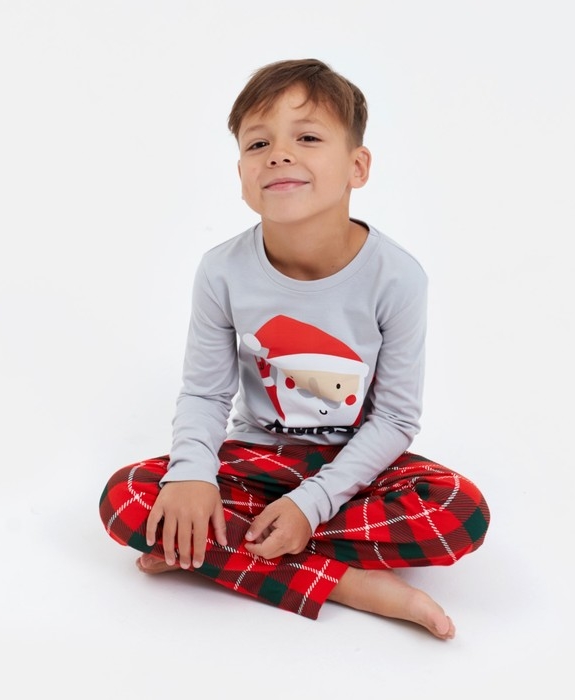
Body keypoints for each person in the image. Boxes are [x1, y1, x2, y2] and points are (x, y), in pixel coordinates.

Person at [99, 58, 490, 640]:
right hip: (257, 460)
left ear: (357, 166)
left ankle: (215, 552)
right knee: (126, 496)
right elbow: (206, 393)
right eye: (259, 143)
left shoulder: (397, 278)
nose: (279, 155)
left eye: (307, 138)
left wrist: (311, 505)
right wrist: (192, 479)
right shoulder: (222, 271)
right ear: (241, 173)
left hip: (353, 471)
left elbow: (395, 419)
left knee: (460, 509)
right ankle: (349, 584)